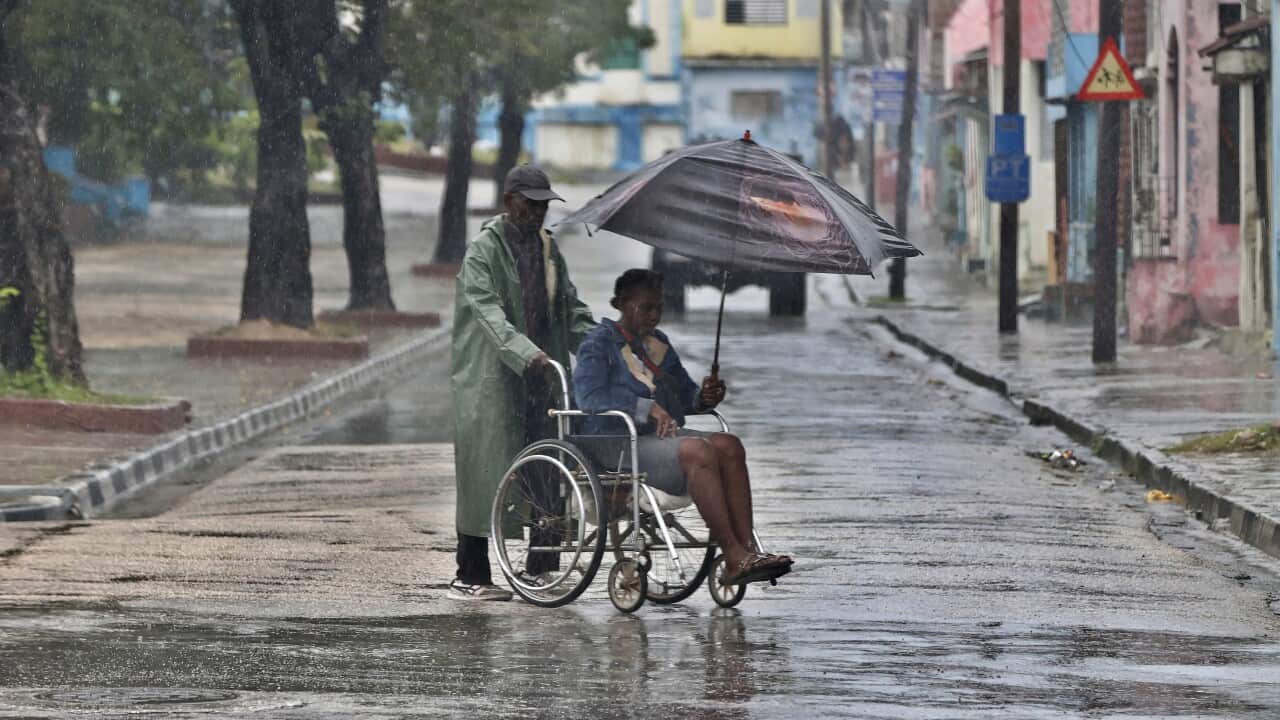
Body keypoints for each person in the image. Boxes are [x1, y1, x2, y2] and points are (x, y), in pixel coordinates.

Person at [573, 269, 792, 585]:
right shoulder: (598, 344)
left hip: (652, 440)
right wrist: (646, 408)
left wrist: (703, 398)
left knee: (730, 446)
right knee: (697, 451)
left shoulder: (658, 345)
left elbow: (683, 396)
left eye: (658, 308)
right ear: (620, 303)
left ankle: (748, 551)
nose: (653, 315)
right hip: (613, 441)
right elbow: (589, 396)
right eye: (645, 307)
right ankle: (733, 556)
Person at [449, 165, 596, 601]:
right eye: (529, 204)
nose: (537, 213)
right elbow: (487, 311)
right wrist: (523, 351)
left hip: (542, 377)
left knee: (548, 466)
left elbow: (569, 308)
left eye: (543, 205)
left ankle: (542, 569)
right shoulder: (483, 251)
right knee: (485, 474)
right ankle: (471, 575)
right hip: (493, 380)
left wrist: (604, 345)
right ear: (509, 201)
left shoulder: (548, 251)